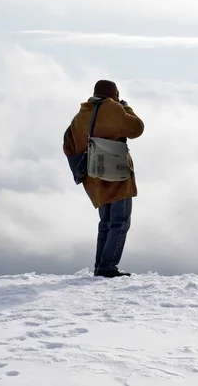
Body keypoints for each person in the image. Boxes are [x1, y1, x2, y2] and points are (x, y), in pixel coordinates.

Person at [63, 80, 145, 278]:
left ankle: (101, 266)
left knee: (106, 222)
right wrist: (127, 107)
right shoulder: (114, 109)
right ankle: (107, 267)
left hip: (94, 176)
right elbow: (137, 128)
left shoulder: (81, 115)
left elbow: (68, 144)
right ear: (114, 94)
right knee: (120, 222)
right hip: (117, 175)